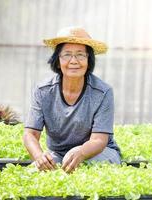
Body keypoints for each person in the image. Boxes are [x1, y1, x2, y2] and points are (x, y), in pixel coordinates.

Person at [23, 26, 121, 173]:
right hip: (59, 155)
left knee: (85, 171)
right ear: (57, 61)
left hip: (98, 153)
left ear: (89, 60)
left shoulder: (102, 92)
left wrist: (80, 153)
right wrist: (39, 157)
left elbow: (99, 140)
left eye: (81, 55)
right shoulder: (43, 91)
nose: (74, 61)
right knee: (33, 173)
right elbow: (30, 134)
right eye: (67, 55)